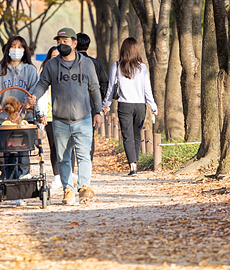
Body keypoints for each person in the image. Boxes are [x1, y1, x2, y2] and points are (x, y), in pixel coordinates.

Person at [29, 27, 102, 206]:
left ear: (74, 43)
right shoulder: (52, 65)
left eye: (65, 42)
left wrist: (98, 111)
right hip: (60, 120)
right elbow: (42, 84)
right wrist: (33, 96)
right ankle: (68, 189)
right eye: (59, 42)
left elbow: (94, 88)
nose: (62, 45)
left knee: (84, 155)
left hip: (83, 117)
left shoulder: (87, 64)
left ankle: (84, 187)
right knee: (63, 157)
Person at [0, 37, 39, 192]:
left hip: (23, 120)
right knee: (7, 153)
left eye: (20, 47)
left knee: (23, 149)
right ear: (8, 49)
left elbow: (35, 92)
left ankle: (24, 179)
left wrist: (32, 103)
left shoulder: (30, 70)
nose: (16, 49)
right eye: (13, 46)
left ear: (25, 50)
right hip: (4, 121)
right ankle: (10, 184)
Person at [103, 37, 158, 176]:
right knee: (136, 134)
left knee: (127, 136)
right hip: (140, 105)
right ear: (136, 50)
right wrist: (153, 105)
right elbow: (147, 89)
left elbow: (111, 88)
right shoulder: (142, 67)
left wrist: (106, 105)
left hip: (124, 105)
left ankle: (132, 166)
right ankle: (136, 163)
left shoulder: (117, 66)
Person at [76, 32, 106, 162]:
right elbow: (104, 84)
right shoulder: (96, 64)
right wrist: (100, 102)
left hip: (74, 103)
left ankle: (73, 163)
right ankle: (88, 161)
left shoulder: (71, 62)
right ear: (88, 45)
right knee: (89, 135)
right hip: (92, 104)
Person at [36, 46, 63, 189]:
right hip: (51, 116)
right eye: (53, 55)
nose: (56, 58)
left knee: (67, 146)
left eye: (58, 55)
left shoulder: (66, 71)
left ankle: (68, 174)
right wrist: (42, 113)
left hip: (65, 115)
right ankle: (57, 176)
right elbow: (41, 95)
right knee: (54, 147)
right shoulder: (45, 73)